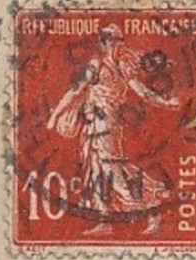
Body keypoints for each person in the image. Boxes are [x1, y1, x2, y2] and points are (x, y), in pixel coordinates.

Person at [45, 25, 181, 235]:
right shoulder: (99, 66)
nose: (117, 45)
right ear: (105, 43)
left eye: (119, 41)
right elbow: (75, 91)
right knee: (95, 169)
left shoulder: (119, 67)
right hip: (94, 124)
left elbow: (142, 93)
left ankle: (150, 205)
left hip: (106, 124)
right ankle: (104, 221)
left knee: (111, 169)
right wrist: (54, 116)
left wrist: (165, 102)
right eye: (114, 41)